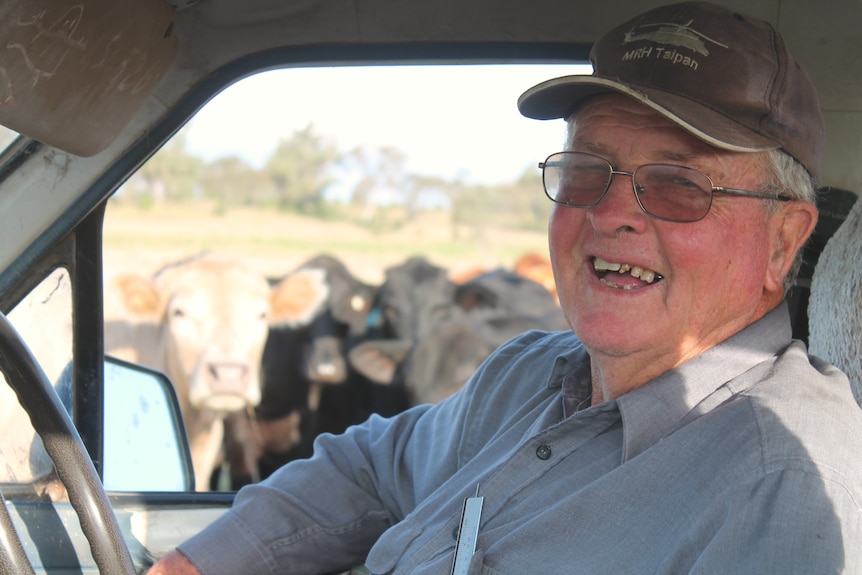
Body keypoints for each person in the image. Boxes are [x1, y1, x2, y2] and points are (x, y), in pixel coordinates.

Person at [150, 2, 862, 573]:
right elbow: (369, 468)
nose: (611, 213)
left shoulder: (787, 478)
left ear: (783, 240)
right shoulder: (527, 377)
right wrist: (191, 563)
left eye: (678, 185)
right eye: (588, 170)